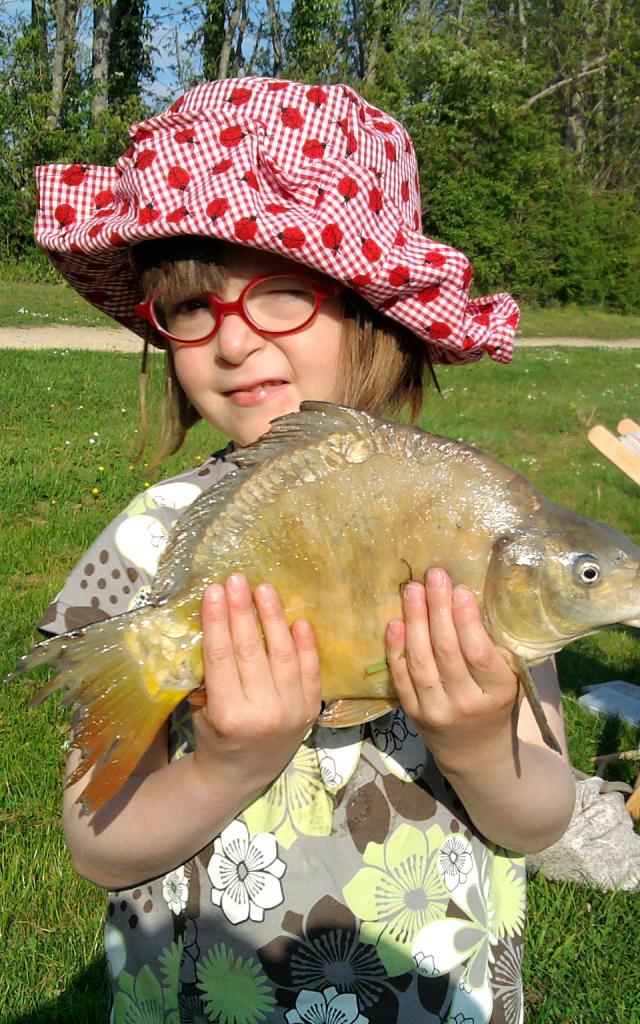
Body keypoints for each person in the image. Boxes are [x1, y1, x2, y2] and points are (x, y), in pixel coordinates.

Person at [34, 77, 575, 1024]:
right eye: (193, 307)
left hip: (427, 992)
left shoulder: (476, 522)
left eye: (283, 292)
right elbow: (95, 843)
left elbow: (540, 815)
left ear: (379, 312)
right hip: (211, 994)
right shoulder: (147, 538)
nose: (233, 342)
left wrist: (478, 741)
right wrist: (225, 767)